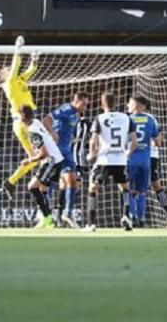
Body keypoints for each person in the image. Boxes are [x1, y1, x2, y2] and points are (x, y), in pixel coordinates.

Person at [85, 92, 137, 232]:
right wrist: (127, 154)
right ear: (116, 102)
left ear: (102, 104)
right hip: (120, 160)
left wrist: (91, 154)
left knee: (93, 188)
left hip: (104, 159)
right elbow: (134, 141)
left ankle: (91, 223)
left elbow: (94, 140)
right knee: (125, 188)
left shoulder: (100, 118)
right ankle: (126, 215)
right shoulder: (126, 118)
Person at [0, 37, 44, 197]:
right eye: (7, 70)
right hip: (23, 123)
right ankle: (38, 179)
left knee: (35, 158)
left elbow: (30, 70)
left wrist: (35, 59)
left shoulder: (20, 80)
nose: (9, 70)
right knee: (39, 156)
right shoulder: (9, 83)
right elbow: (15, 66)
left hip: (27, 122)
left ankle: (11, 181)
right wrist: (17, 49)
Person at [18, 105, 65, 229]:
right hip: (55, 159)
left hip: (51, 161)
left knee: (32, 186)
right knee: (43, 189)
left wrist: (28, 161)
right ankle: (46, 219)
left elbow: (44, 153)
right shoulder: (36, 122)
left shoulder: (33, 132)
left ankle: (48, 218)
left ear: (22, 119)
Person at [49, 92, 90, 228]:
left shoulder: (76, 115)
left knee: (72, 181)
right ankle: (45, 214)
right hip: (56, 150)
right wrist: (52, 133)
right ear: (76, 100)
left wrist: (71, 138)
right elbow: (46, 119)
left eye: (86, 105)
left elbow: (65, 129)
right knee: (49, 183)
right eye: (83, 104)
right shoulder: (66, 109)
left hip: (67, 151)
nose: (85, 107)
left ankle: (67, 213)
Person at [127, 95, 159, 227]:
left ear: (136, 105)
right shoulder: (151, 120)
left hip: (131, 160)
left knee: (130, 190)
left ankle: (132, 216)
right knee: (142, 192)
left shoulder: (127, 120)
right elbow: (157, 142)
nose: (127, 105)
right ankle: (142, 219)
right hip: (145, 161)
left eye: (130, 103)